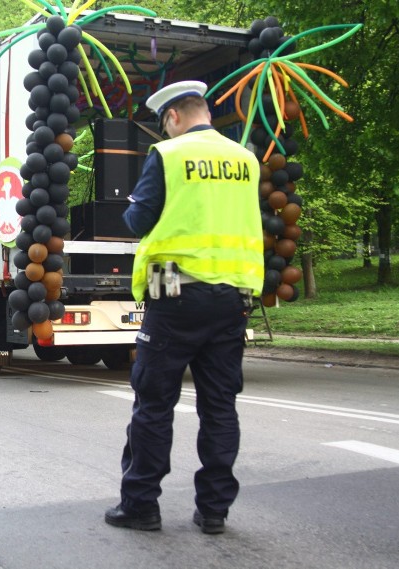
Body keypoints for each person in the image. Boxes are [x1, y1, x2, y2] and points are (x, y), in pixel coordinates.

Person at [105, 81, 264, 534]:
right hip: (234, 292)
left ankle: (141, 506)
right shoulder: (246, 160)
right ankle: (214, 510)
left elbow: (138, 219)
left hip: (172, 286)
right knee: (220, 406)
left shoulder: (169, 156)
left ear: (172, 117)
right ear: (204, 112)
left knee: (154, 403)